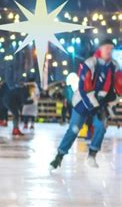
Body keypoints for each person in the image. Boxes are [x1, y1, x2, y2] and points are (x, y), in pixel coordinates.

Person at [50, 39, 120, 169]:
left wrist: (110, 103)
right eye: (107, 48)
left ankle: (92, 155)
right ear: (100, 49)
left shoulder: (114, 66)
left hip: (101, 102)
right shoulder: (89, 63)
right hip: (83, 102)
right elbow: (84, 87)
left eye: (111, 48)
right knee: (73, 130)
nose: (109, 51)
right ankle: (59, 156)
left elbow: (118, 86)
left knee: (101, 126)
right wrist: (95, 106)